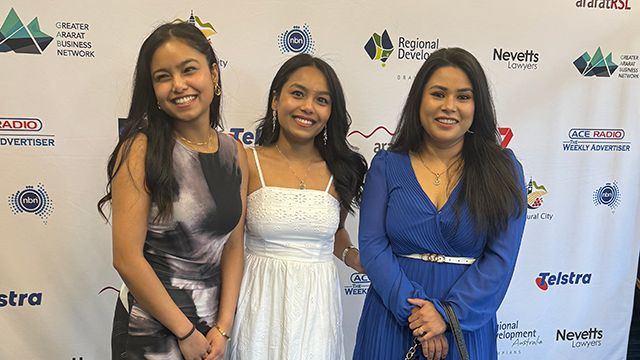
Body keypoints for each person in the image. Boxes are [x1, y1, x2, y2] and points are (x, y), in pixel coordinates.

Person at [353, 47, 527, 360]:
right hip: (392, 317)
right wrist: (418, 315)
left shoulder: (504, 169)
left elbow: (501, 259)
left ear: (478, 106)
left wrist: (447, 316)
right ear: (419, 100)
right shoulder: (386, 165)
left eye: (463, 96)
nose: (449, 106)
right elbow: (372, 245)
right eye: (438, 93)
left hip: (466, 325)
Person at [98, 22, 248, 360]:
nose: (178, 85)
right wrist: (184, 331)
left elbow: (234, 247)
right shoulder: (140, 149)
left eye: (188, 70)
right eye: (162, 76)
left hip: (210, 331)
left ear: (213, 74)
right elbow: (126, 258)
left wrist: (223, 327)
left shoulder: (234, 153)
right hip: (152, 330)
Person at [225, 54, 367, 360]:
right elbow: (232, 244)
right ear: (276, 100)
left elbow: (336, 231)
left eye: (322, 100)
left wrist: (351, 255)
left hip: (317, 307)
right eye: (298, 93)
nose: (308, 107)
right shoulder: (247, 160)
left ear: (331, 111)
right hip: (258, 302)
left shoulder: (342, 170)